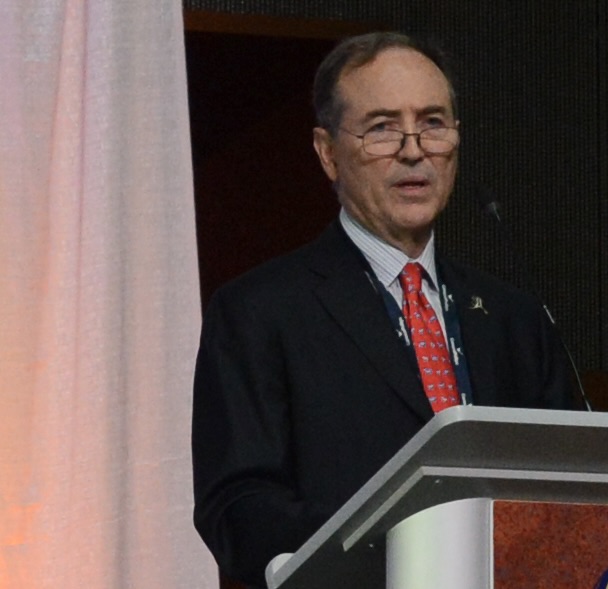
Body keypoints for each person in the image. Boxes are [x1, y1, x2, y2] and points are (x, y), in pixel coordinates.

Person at [192, 31, 575, 588]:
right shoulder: (259, 311)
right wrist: (386, 555)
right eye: (382, 128)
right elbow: (239, 502)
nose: (414, 148)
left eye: (434, 123)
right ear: (327, 153)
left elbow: (573, 483)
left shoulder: (515, 317)